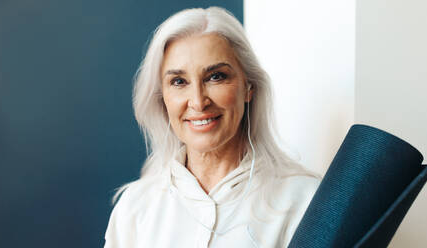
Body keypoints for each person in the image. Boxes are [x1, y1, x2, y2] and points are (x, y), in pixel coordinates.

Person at [104, 6, 322, 248]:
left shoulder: (305, 199)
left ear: (248, 87)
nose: (198, 101)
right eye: (179, 81)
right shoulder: (135, 207)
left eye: (216, 77)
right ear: (162, 98)